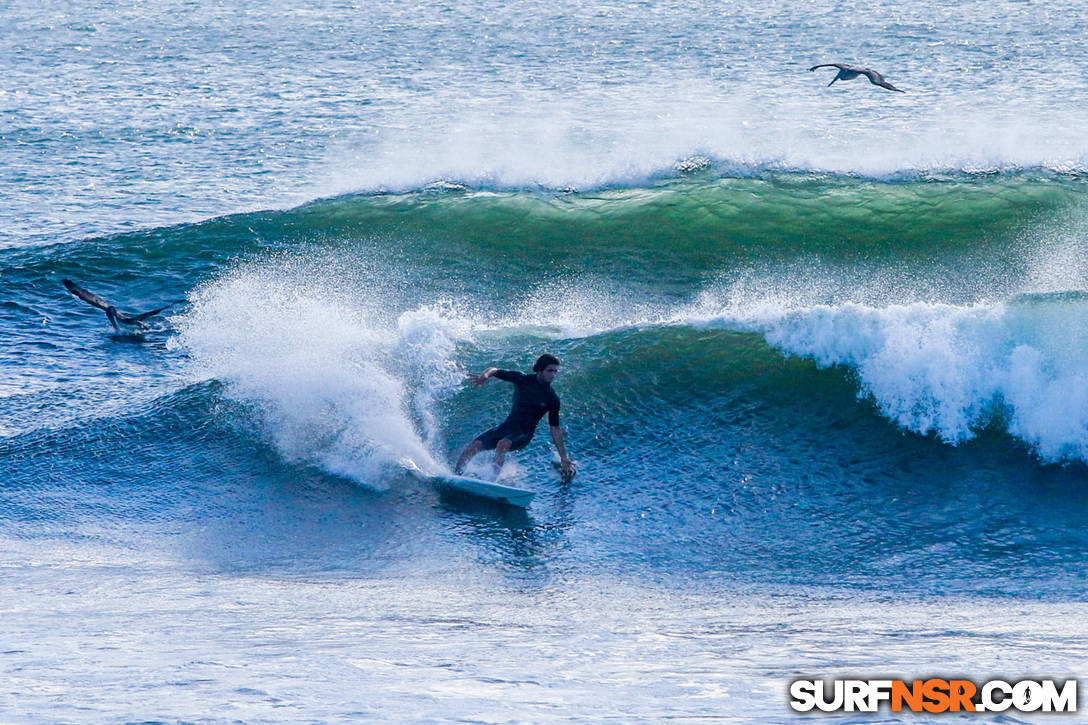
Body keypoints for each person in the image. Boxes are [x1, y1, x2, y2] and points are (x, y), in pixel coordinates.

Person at [455, 353, 576, 478]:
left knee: (503, 444)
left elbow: (555, 429)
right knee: (474, 446)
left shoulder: (552, 398)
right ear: (539, 370)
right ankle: (456, 475)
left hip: (523, 434)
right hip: (506, 427)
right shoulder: (522, 379)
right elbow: (494, 370)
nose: (553, 375)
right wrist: (484, 376)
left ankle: (491, 479)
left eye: (555, 371)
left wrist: (563, 458)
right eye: (550, 371)